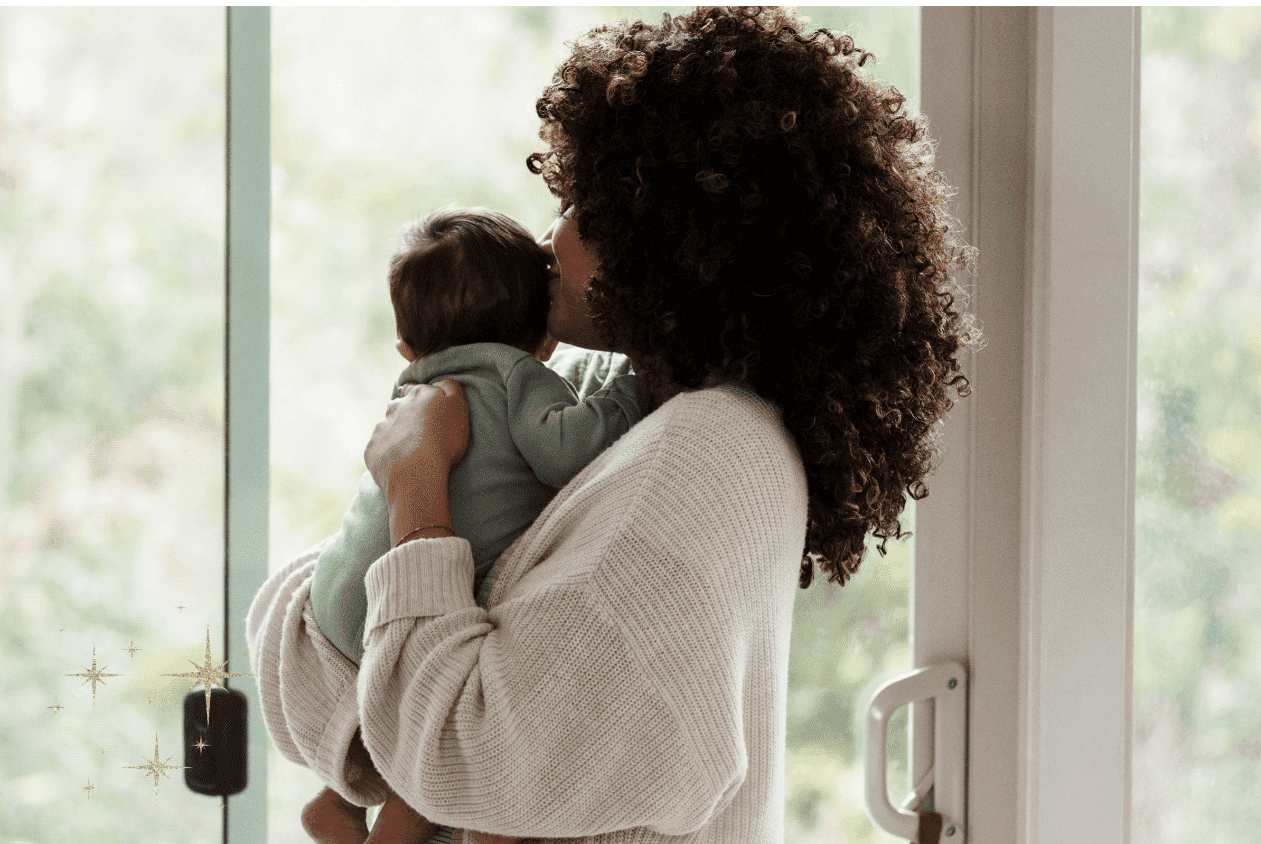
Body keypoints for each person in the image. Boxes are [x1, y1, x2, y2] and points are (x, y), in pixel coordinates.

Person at [246, 8, 979, 844]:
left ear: (683, 242)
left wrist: (416, 486)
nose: (550, 238)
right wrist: (389, 703)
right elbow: (292, 642)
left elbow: (457, 753)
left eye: (585, 208)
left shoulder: (704, 459)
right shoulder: (616, 403)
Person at [297, 207, 643, 844]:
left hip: (340, 594)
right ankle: (395, 821)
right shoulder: (519, 377)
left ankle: (336, 803)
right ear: (545, 340)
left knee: (401, 712)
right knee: (441, 747)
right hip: (412, 601)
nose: (551, 229)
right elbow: (565, 450)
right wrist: (628, 392)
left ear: (407, 345)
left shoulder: (417, 382)